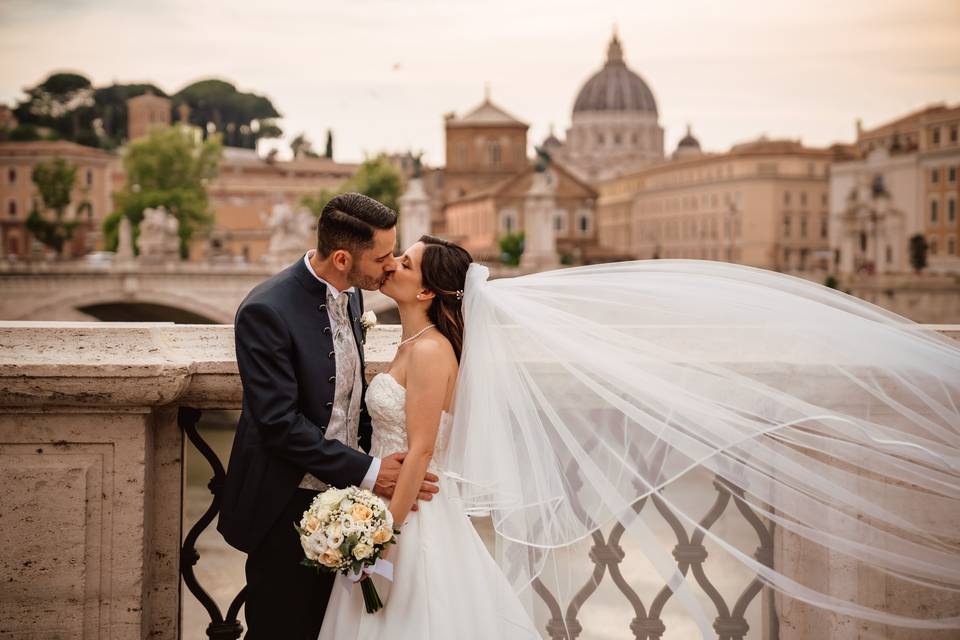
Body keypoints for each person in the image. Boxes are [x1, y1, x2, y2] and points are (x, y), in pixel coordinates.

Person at [322, 235, 960, 639]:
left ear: (429, 288)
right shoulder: (409, 339)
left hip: (410, 515)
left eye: (402, 261)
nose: (391, 264)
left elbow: (426, 451)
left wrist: (380, 536)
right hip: (395, 503)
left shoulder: (431, 351)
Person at [218, 194, 438, 639]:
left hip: (351, 509)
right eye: (381, 257)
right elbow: (278, 423)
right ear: (342, 258)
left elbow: (347, 402)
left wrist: (391, 458)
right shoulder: (266, 309)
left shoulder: (354, 296)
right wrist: (373, 471)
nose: (390, 265)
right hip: (284, 510)